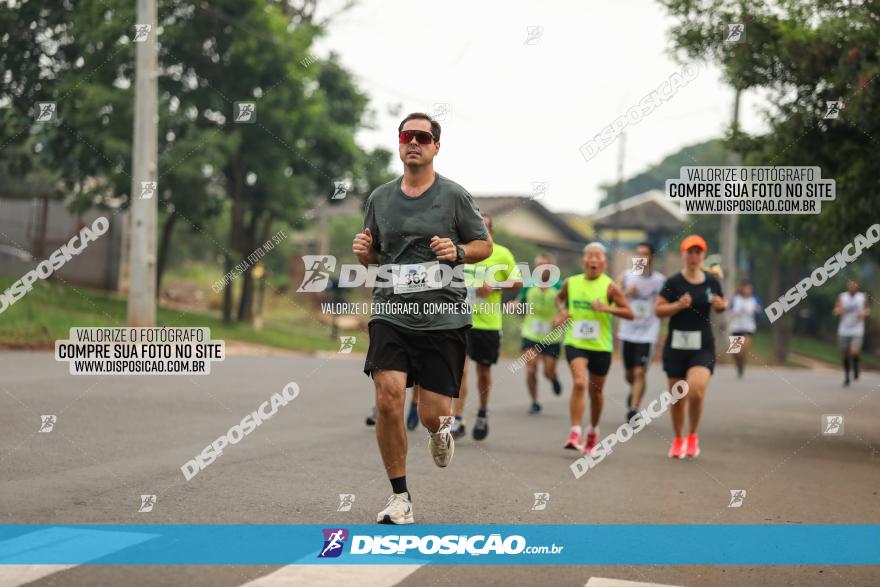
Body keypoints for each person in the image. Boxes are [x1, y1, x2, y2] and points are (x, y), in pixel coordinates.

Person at [353, 112, 492, 524]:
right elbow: (376, 257)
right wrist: (365, 255)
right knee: (388, 396)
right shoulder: (379, 198)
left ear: (435, 146)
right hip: (391, 309)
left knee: (433, 412)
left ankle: (438, 430)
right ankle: (400, 497)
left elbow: (483, 244)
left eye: (422, 137)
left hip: (442, 316)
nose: (413, 142)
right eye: (406, 136)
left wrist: (459, 252)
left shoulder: (453, 196)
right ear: (399, 144)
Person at [555, 242, 634, 454]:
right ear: (583, 261)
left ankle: (593, 430)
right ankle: (574, 432)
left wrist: (606, 308)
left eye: (598, 257)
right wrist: (562, 312)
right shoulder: (571, 283)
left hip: (601, 346)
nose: (593, 260)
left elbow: (629, 313)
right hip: (575, 342)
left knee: (596, 393)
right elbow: (559, 299)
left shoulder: (610, 287)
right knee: (580, 383)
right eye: (590, 256)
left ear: (604, 263)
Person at [655, 235, 727, 459]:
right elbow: (658, 310)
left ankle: (693, 435)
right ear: (683, 254)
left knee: (695, 389)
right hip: (676, 346)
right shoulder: (673, 282)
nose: (694, 256)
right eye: (690, 252)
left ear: (703, 256)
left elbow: (722, 305)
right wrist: (678, 304)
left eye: (698, 252)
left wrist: (721, 305)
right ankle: (678, 439)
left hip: (702, 345)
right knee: (677, 396)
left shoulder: (712, 282)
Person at [452, 213, 522, 440]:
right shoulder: (462, 250)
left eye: (483, 227)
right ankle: (458, 419)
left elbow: (518, 281)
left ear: (491, 231)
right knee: (460, 371)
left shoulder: (502, 253)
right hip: (461, 320)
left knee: (483, 371)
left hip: (488, 322)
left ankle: (482, 412)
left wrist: (495, 285)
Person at [616, 242, 665, 422]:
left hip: (648, 332)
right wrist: (628, 292)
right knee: (629, 374)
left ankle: (634, 408)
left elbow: (664, 304)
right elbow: (613, 297)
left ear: (652, 257)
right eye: (638, 254)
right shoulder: (627, 276)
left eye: (645, 254)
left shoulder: (660, 281)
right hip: (627, 331)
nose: (641, 258)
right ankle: (634, 391)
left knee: (640, 372)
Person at [516, 253, 563, 415]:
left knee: (548, 372)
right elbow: (519, 302)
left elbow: (566, 310)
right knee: (531, 369)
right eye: (539, 266)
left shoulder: (559, 287)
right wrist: (514, 305)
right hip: (531, 334)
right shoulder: (529, 285)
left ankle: (553, 378)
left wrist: (560, 317)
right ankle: (534, 401)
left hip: (552, 336)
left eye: (546, 266)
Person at [834, 280, 869, 387]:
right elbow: (836, 310)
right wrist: (839, 311)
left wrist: (863, 314)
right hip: (844, 329)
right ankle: (847, 377)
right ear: (848, 287)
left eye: (854, 286)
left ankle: (856, 366)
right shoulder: (842, 297)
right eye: (850, 286)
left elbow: (867, 309)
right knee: (845, 354)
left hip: (857, 329)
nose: (852, 287)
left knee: (854, 351)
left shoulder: (862, 297)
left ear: (857, 287)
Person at [728, 280, 760, 378]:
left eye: (750, 288)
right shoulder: (736, 299)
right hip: (736, 327)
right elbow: (729, 311)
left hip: (748, 327)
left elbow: (760, 314)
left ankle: (742, 363)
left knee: (744, 349)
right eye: (746, 288)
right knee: (735, 352)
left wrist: (757, 310)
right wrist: (733, 312)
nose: (748, 290)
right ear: (742, 289)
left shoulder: (754, 299)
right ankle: (739, 365)